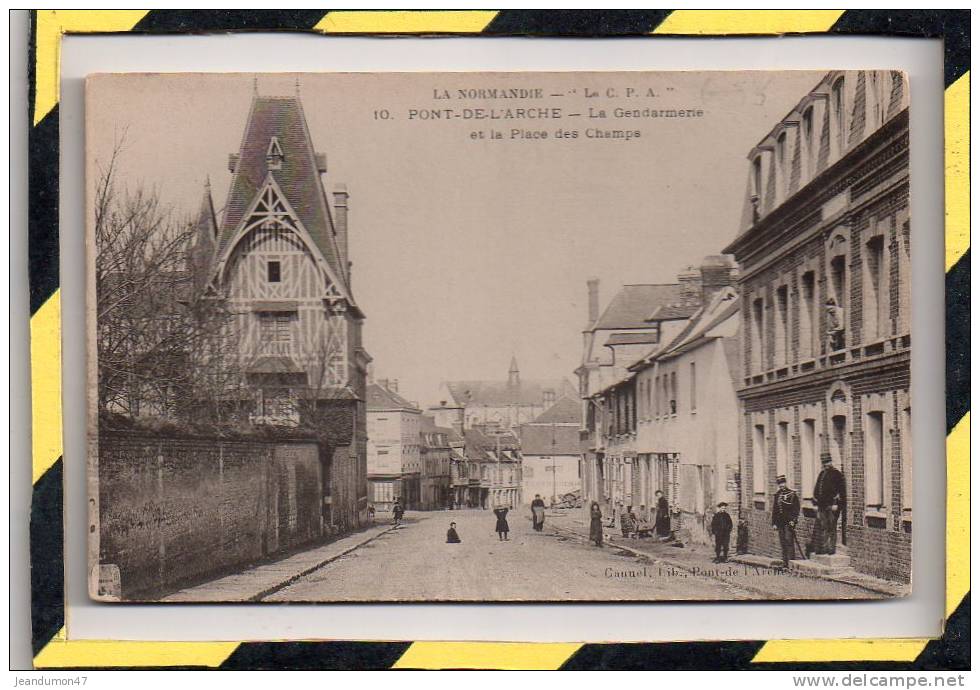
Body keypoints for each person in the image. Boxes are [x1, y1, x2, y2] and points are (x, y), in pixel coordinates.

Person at [812, 456, 847, 555]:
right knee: (823, 527)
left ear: (831, 462)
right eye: (824, 463)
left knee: (832, 527)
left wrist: (837, 504)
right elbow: (817, 489)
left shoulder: (837, 474)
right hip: (822, 506)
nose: (826, 465)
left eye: (827, 462)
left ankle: (831, 549)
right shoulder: (822, 474)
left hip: (832, 505)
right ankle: (824, 548)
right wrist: (815, 503)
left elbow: (841, 492)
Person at [771, 475, 801, 567]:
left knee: (789, 541)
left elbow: (796, 509)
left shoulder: (792, 494)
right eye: (780, 484)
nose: (781, 485)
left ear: (785, 483)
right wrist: (774, 523)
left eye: (782, 483)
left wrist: (793, 520)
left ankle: (791, 563)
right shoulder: (777, 495)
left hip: (788, 522)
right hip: (780, 523)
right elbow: (775, 510)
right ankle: (785, 563)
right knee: (783, 542)